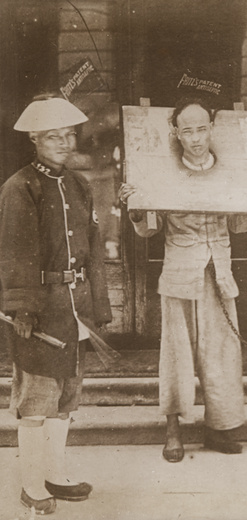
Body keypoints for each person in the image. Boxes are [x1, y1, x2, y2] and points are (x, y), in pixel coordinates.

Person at [119, 97, 247, 463]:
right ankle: (173, 430)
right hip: (179, 272)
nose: (195, 138)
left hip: (219, 273)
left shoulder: (231, 168)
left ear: (212, 129)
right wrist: (137, 208)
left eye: (201, 128)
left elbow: (239, 225)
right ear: (175, 133)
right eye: (187, 130)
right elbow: (147, 231)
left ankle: (219, 427)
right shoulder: (160, 171)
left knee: (221, 353)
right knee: (177, 354)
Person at [0, 94, 112, 514]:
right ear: (34, 139)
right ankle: (32, 485)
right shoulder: (19, 187)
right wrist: (22, 309)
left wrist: (97, 305)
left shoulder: (79, 184)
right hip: (40, 310)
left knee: (67, 396)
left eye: (68, 135)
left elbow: (93, 249)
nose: (64, 143)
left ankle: (55, 474)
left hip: (74, 308)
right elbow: (14, 253)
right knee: (37, 399)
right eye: (53, 137)